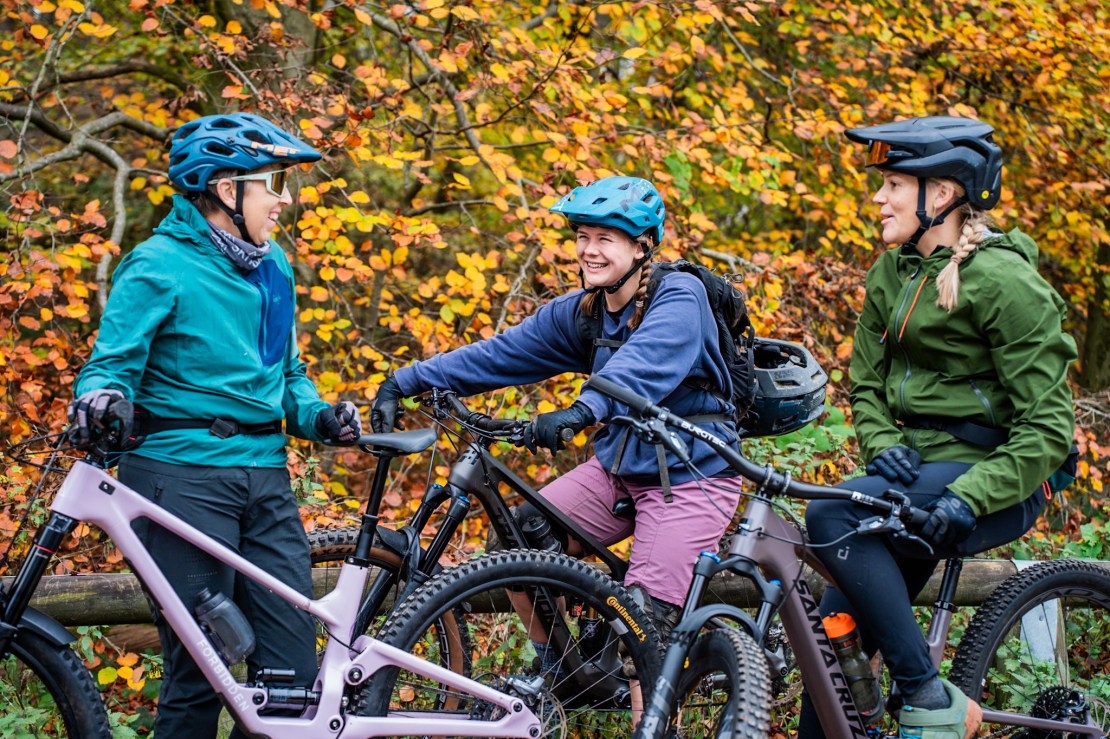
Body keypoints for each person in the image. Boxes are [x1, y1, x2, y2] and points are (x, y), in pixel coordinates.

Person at [68, 112, 361, 739]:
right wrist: (101, 401)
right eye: (272, 183)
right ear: (228, 190)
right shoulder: (157, 265)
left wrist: (321, 417)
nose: (283, 200)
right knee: (202, 668)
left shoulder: (272, 266)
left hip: (265, 479)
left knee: (290, 672)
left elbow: (287, 374)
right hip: (180, 478)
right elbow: (109, 367)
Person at [371, 175, 744, 656]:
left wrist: (582, 410)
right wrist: (406, 381)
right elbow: (499, 354)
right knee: (519, 548)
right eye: (582, 237)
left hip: (693, 475)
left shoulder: (680, 296)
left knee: (643, 626)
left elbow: (644, 363)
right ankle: (560, 677)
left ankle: (646, 721)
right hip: (621, 468)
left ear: (642, 247)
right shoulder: (586, 311)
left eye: (605, 239)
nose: (589, 251)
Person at [799, 116, 1076, 739]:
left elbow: (1049, 427)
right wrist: (885, 445)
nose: (878, 198)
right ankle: (908, 698)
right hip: (915, 475)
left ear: (943, 194)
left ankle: (927, 693)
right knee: (829, 673)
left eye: (894, 183)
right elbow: (865, 388)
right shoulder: (890, 274)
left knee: (831, 514)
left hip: (999, 479)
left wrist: (966, 496)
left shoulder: (1005, 282)